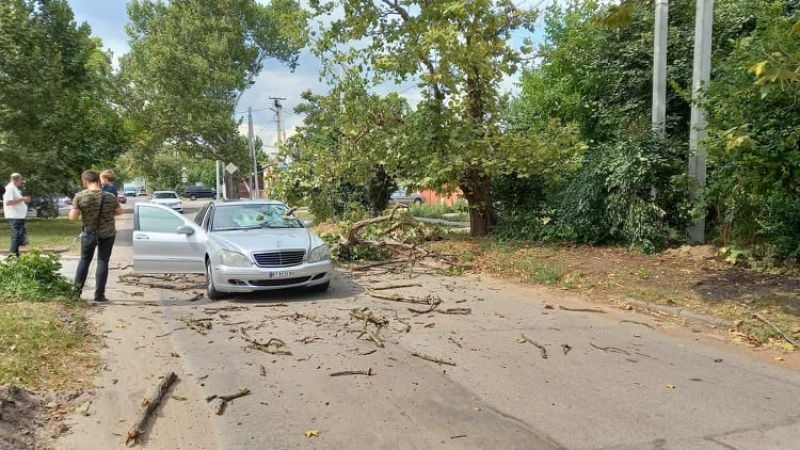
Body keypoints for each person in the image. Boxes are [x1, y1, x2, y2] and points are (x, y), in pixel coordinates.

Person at [70, 170, 122, 303]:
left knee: (84, 261)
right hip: (107, 233)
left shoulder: (80, 196)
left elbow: (73, 217)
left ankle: (76, 293)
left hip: (88, 233)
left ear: (85, 181)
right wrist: (108, 215)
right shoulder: (110, 196)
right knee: (103, 262)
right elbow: (119, 211)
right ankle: (99, 295)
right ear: (98, 180)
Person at [3, 173, 31, 256]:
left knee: (19, 235)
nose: (21, 182)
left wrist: (23, 199)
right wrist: (23, 199)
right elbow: (8, 202)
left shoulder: (14, 188)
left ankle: (16, 253)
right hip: (15, 216)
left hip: (19, 216)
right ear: (16, 180)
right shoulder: (9, 188)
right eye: (20, 180)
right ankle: (13, 254)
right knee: (16, 235)